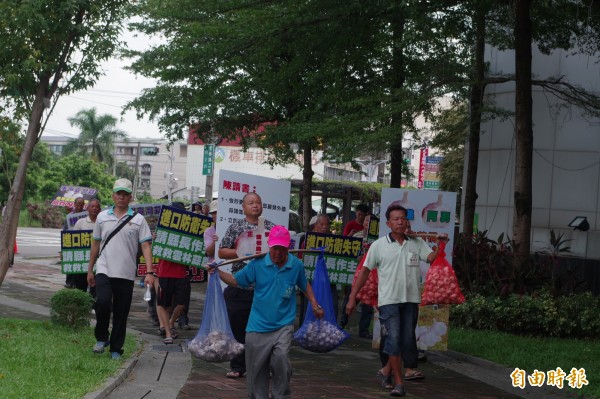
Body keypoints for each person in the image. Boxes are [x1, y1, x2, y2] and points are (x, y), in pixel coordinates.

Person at [213, 225, 324, 399]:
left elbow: (305, 285)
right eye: (274, 248)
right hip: (258, 325)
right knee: (256, 371)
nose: (277, 253)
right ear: (269, 246)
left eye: (281, 249)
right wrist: (217, 272)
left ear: (288, 248)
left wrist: (315, 304)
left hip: (283, 324)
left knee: (281, 359)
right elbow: (235, 281)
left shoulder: (295, 265)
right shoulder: (258, 264)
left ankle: (280, 395)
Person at [346, 204, 444, 397]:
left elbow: (431, 258)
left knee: (407, 339)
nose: (400, 222)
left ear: (407, 221)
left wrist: (442, 245)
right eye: (396, 219)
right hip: (388, 301)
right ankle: (399, 383)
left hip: (410, 300)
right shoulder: (379, 246)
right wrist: (352, 298)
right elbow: (364, 272)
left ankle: (385, 371)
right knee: (394, 338)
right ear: (388, 223)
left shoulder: (416, 243)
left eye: (403, 218)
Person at [87, 178, 155, 360]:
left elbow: (146, 246)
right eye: (119, 194)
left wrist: (149, 272)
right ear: (113, 195)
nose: (121, 197)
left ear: (130, 197)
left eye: (125, 194)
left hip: (125, 273)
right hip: (104, 269)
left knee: (121, 311)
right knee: (101, 302)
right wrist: (90, 269)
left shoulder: (139, 220)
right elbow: (95, 244)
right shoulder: (102, 217)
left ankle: (116, 348)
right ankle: (102, 337)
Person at [218, 192, 274, 379]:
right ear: (243, 206)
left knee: (264, 330)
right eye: (251, 203)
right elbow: (223, 251)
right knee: (238, 327)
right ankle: (238, 366)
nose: (255, 205)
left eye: (258, 202)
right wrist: (242, 251)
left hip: (264, 288)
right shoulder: (236, 227)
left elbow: (280, 252)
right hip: (240, 286)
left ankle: (264, 366)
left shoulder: (270, 227)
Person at [156, 201, 190, 344]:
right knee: (164, 304)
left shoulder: (188, 229)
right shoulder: (162, 227)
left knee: (182, 303)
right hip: (165, 272)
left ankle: (170, 322)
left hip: (181, 273)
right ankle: (168, 333)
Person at [71, 198, 102, 292]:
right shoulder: (80, 223)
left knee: (95, 287)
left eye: (97, 207)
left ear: (100, 210)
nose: (94, 209)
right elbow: (73, 241)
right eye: (92, 206)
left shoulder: (103, 223)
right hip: (82, 260)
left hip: (98, 260)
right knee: (80, 287)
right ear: (87, 208)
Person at [64, 197, 86, 288]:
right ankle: (69, 281)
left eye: (81, 204)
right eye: (78, 204)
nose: (80, 206)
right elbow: (65, 230)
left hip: (82, 241)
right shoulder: (69, 216)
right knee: (71, 261)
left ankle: (78, 282)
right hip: (71, 240)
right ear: (74, 204)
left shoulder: (86, 215)